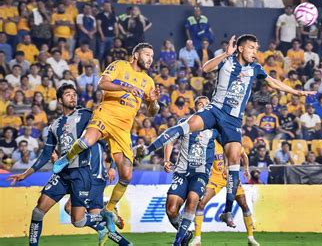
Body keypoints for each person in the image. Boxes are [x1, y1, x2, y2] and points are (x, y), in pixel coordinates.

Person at [147, 34, 313, 226]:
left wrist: (297, 92)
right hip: (215, 111)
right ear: (241, 48)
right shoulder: (227, 62)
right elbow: (205, 68)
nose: (255, 52)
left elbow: (273, 82)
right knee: (185, 127)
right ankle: (146, 149)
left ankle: (227, 211)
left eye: (256, 48)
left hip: (233, 121)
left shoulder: (255, 68)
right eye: (252, 47)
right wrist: (225, 54)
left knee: (234, 162)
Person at [53, 43, 160, 231]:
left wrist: (153, 102)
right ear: (135, 55)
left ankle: (109, 210)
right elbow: (102, 83)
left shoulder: (149, 81)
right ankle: (67, 157)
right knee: (87, 141)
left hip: (124, 128)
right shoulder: (120, 65)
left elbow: (152, 113)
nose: (150, 58)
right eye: (147, 54)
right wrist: (126, 87)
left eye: (152, 55)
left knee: (126, 175)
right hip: (106, 114)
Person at [7, 84, 113, 245]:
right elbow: (45, 154)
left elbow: (103, 134)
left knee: (77, 221)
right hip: (63, 173)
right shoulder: (54, 125)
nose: (73, 97)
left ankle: (104, 216)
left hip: (81, 173)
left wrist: (111, 163)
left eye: (74, 94)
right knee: (37, 211)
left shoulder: (85, 115)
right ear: (59, 100)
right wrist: (25, 174)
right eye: (68, 94)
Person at [190, 107, 259, 246]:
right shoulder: (211, 141)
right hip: (215, 177)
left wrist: (246, 169)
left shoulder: (232, 141)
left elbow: (243, 155)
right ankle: (197, 238)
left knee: (244, 204)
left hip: (232, 178)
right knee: (201, 203)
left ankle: (251, 238)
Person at [163, 96, 219, 246]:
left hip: (200, 173)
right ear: (195, 107)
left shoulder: (215, 127)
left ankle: (177, 242)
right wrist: (167, 160)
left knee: (193, 199)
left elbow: (229, 146)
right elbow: (169, 140)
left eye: (204, 104)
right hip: (181, 172)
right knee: (171, 210)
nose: (201, 106)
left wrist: (227, 165)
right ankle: (186, 233)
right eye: (198, 104)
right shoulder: (184, 123)